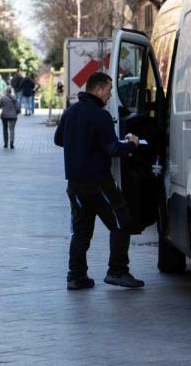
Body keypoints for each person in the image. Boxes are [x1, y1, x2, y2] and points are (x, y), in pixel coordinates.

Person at [54, 71, 144, 290]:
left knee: (81, 230)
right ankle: (117, 271)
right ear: (99, 89)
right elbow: (113, 148)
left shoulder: (71, 111)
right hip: (98, 183)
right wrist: (132, 144)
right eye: (109, 90)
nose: (110, 95)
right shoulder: (100, 115)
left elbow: (58, 140)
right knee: (122, 222)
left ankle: (76, 276)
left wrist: (80, 144)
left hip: (75, 185)